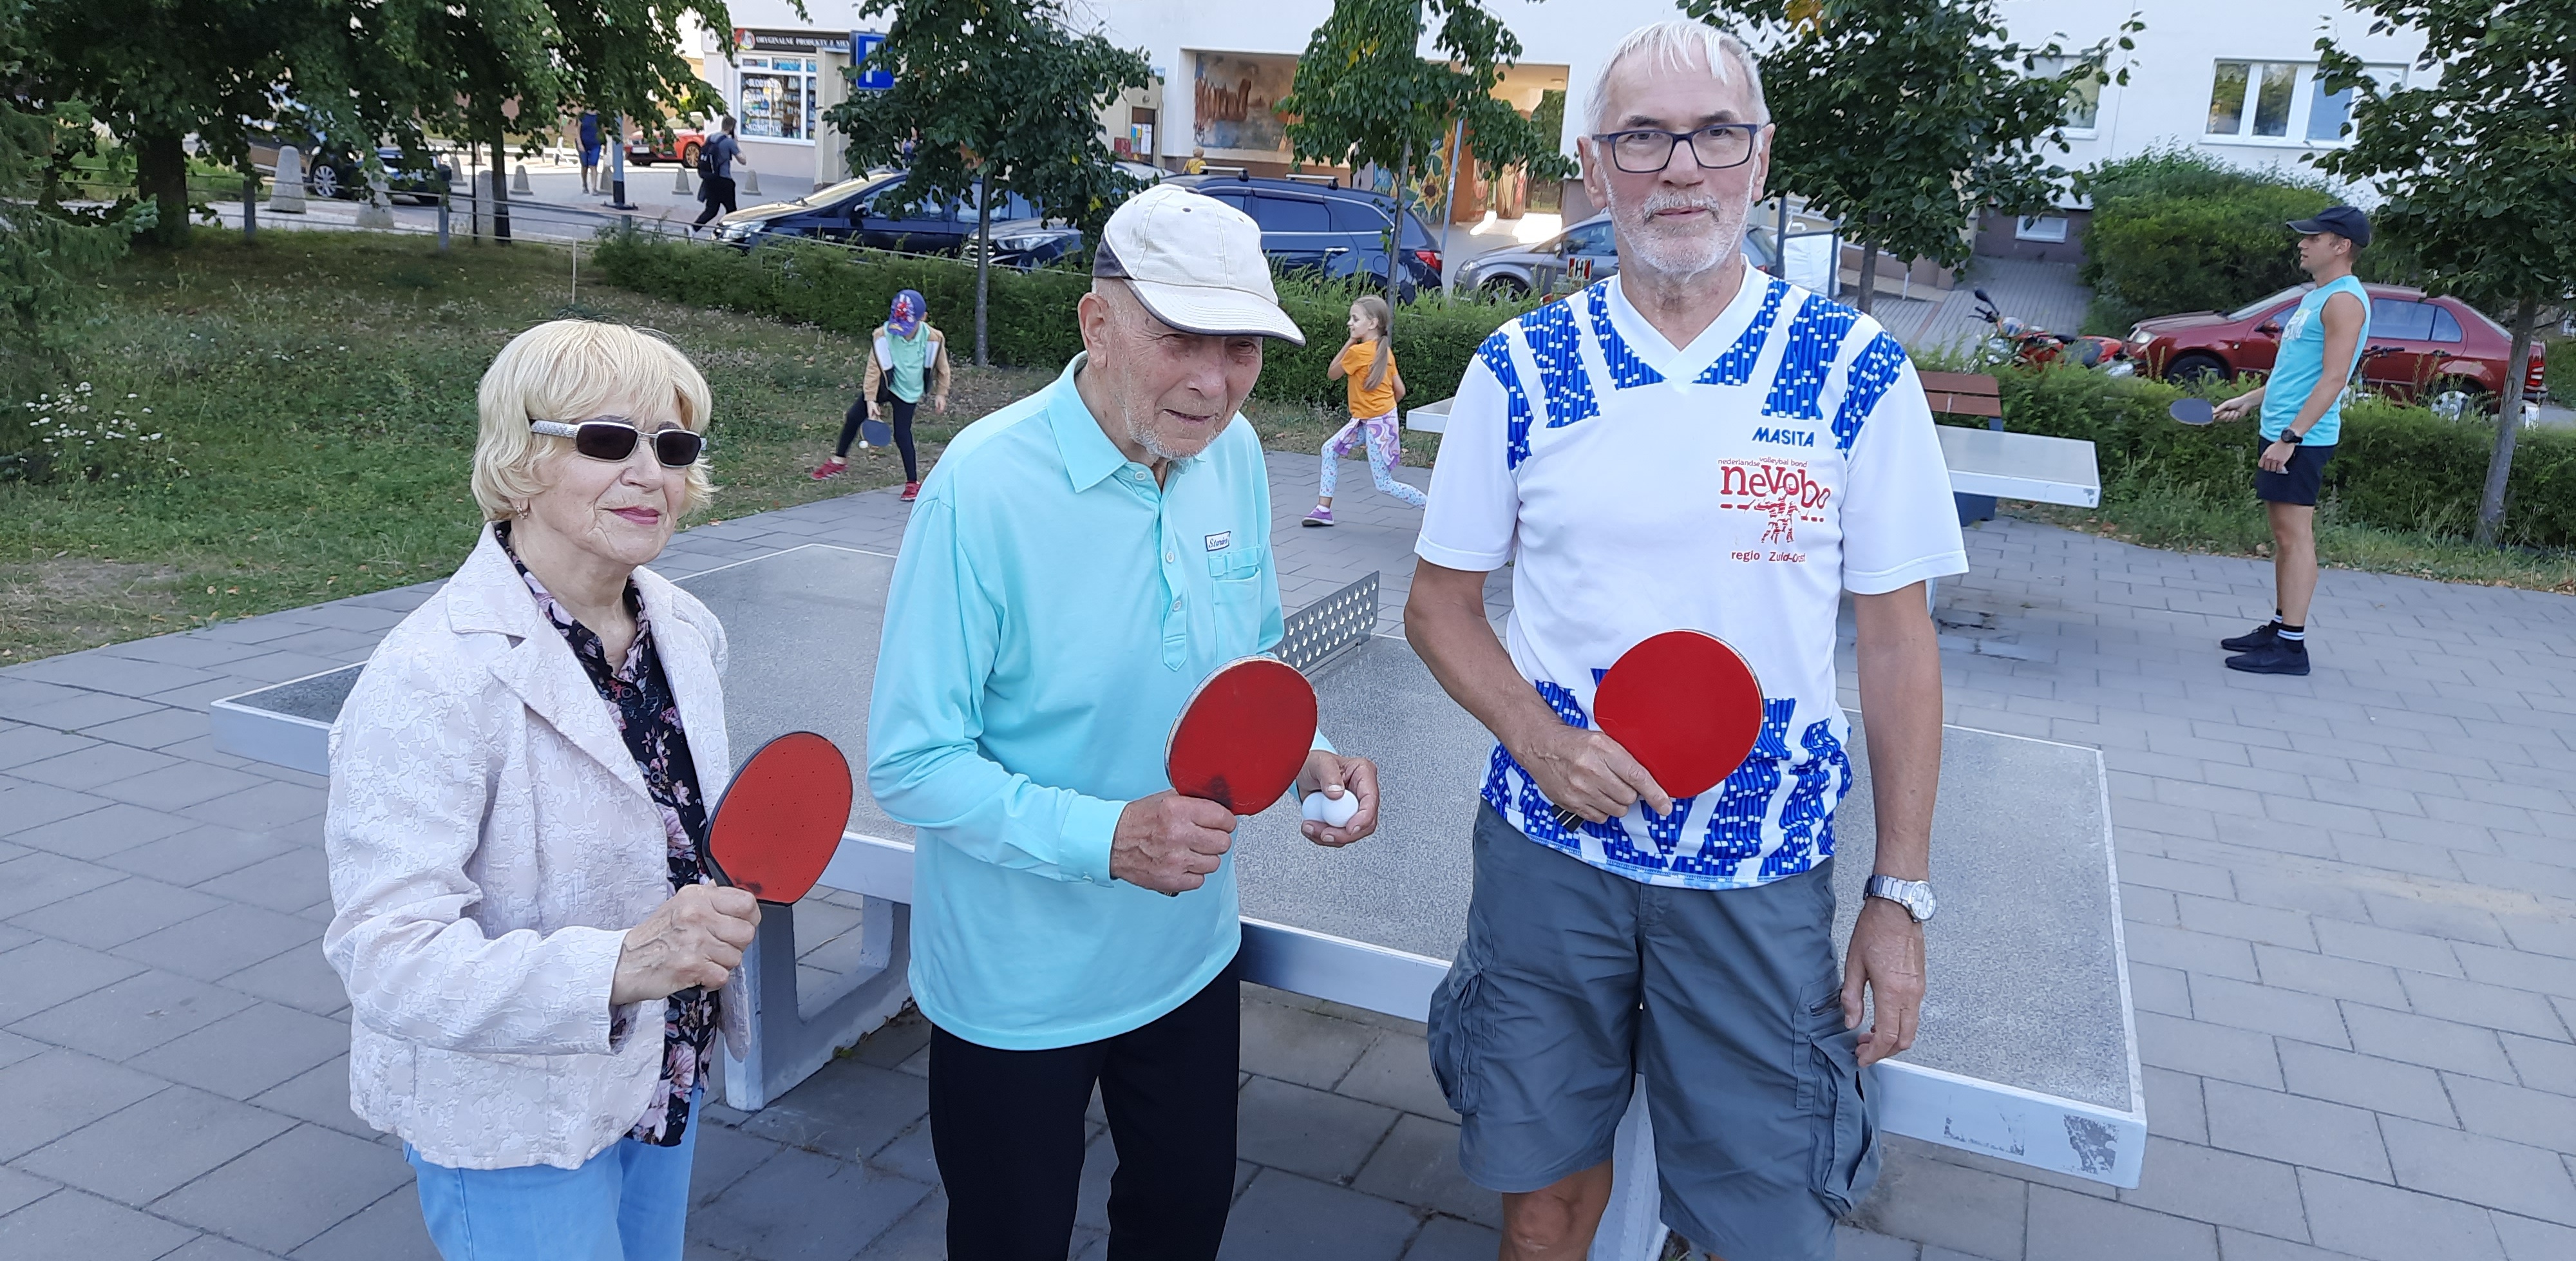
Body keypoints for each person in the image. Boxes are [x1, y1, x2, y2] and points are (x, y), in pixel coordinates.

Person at [1404, 21, 1961, 1261]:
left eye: (1714, 133)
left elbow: (1896, 647)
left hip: (1758, 872)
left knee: (1762, 1220)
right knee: (1542, 1203)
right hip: (1550, 857)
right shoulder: (1523, 367)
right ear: (1597, 170)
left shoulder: (1853, 372)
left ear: (1760, 161)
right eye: (1643, 136)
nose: (1679, 167)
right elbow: (1438, 606)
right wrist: (1539, 741)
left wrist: (1899, 895)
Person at [867, 182, 1383, 1261]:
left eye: (1240, 347)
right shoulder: (982, 487)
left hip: (1187, 955)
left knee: (1180, 1224)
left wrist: (1308, 753)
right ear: (1098, 322)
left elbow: (1251, 651)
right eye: (1180, 338)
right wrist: (1108, 837)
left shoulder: (1232, 456)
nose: (1213, 381)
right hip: (1016, 982)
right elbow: (912, 763)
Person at [323, 319, 760, 1261]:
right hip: (512, 1118)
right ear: (521, 460)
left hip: (664, 1066)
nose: (650, 470)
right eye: (607, 439)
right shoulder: (428, 674)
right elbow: (388, 957)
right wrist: (622, 966)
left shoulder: (689, 628)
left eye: (673, 446)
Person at [2210, 205, 2372, 677]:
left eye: (2312, 237)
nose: (2302, 243)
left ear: (2340, 246)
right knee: (2284, 537)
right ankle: (2281, 627)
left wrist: (2290, 437)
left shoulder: (2344, 300)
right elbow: (2295, 374)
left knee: (2295, 537)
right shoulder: (2317, 296)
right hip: (2284, 429)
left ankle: (2292, 648)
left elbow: (2334, 378)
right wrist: (2250, 399)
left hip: (2302, 438)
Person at [813, 289, 952, 499]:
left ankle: (913, 483)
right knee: (853, 417)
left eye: (907, 326)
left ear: (923, 317)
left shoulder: (934, 338)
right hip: (885, 384)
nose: (902, 331)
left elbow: (943, 368)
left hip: (908, 391)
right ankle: (838, 461)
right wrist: (870, 400)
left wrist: (941, 393)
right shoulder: (883, 335)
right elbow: (873, 369)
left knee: (902, 433)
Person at [1303, 294, 1425, 526]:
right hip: (1376, 420)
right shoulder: (1385, 352)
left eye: (1355, 319)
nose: (1350, 323)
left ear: (1372, 324)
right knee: (1329, 449)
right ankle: (1323, 510)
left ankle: (1433, 509)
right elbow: (1400, 390)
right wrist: (1383, 413)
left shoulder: (1358, 353)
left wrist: (1350, 342)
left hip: (1374, 422)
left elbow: (1333, 373)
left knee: (1384, 484)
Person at [692, 117, 742, 232]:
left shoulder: (711, 138)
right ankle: (727, 235)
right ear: (731, 128)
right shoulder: (729, 142)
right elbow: (743, 160)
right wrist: (736, 145)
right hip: (724, 181)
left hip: (710, 179)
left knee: (711, 210)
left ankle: (692, 229)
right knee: (732, 211)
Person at [579, 111, 602, 195]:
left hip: (596, 144)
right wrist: (580, 143)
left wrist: (604, 142)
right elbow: (577, 130)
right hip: (584, 143)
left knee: (593, 165)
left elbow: (602, 130)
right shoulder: (582, 115)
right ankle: (585, 185)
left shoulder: (599, 117)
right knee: (585, 166)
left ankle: (594, 188)